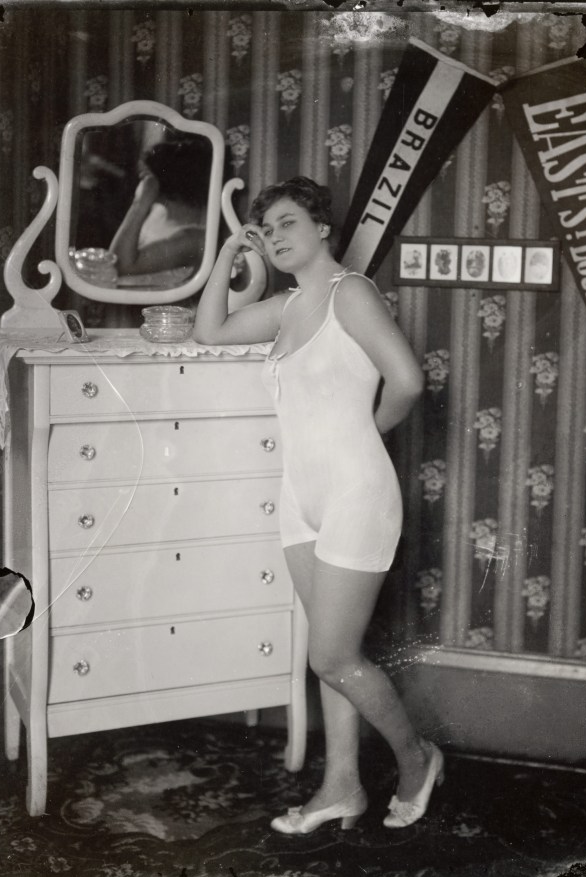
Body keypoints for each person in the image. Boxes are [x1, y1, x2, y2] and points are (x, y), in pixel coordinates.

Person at [193, 176, 443, 833]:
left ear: (322, 228)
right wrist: (227, 258)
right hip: (298, 496)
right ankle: (341, 788)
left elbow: (408, 380)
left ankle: (417, 761)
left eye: (286, 223)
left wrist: (365, 436)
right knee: (335, 652)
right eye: (265, 230)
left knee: (331, 658)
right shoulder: (284, 307)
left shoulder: (348, 294)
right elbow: (210, 331)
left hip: (356, 491)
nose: (275, 237)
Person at [109, 137, 210, 285]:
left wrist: (141, 202)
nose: (142, 179)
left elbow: (120, 265)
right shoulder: (158, 214)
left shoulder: (194, 237)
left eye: (147, 175)